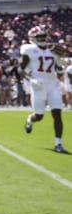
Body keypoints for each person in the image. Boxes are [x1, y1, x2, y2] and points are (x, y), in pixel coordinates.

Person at [20, 25, 68, 153]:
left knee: (57, 114)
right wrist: (31, 80)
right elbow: (20, 69)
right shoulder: (28, 49)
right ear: (32, 38)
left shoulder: (53, 51)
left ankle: (58, 144)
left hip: (53, 85)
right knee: (39, 116)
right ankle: (30, 119)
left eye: (43, 36)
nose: (41, 38)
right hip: (38, 85)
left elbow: (59, 68)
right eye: (38, 37)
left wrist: (60, 70)